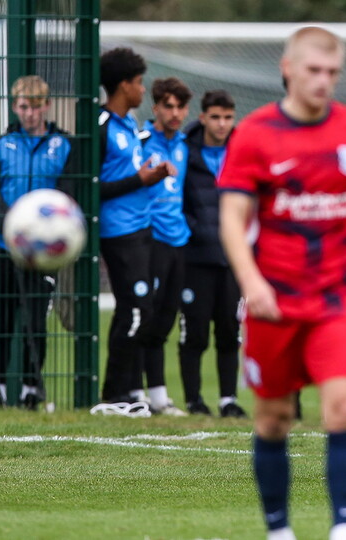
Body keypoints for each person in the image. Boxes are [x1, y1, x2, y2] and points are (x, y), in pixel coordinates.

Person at [218, 27, 346, 540]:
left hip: (335, 297)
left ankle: (344, 528)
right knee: (273, 417)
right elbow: (232, 217)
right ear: (288, 68)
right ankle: (279, 528)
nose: (323, 81)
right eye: (313, 71)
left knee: (344, 407)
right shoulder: (256, 134)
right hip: (273, 300)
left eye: (332, 72)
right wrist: (250, 282)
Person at [0, 75, 74, 410]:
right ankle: (0, 390)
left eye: (36, 107)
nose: (30, 113)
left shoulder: (63, 146)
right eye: (23, 106)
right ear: (15, 106)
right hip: (1, 246)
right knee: (2, 318)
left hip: (43, 251)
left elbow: (67, 192)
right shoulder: (1, 145)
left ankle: (31, 390)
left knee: (36, 319)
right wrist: (12, 226)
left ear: (47, 106)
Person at [98, 47, 175, 404]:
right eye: (139, 83)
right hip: (118, 233)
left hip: (143, 230)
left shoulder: (129, 125)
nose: (143, 90)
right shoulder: (100, 127)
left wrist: (152, 175)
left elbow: (131, 175)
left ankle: (127, 392)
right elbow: (87, 187)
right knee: (135, 311)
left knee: (139, 311)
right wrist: (140, 181)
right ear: (123, 85)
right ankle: (115, 394)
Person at [179, 89, 246, 418]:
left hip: (232, 259)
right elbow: (175, 200)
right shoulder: (183, 151)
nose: (222, 124)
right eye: (215, 117)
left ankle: (227, 400)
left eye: (228, 117)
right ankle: (193, 400)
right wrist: (196, 228)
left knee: (228, 331)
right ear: (203, 117)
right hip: (195, 258)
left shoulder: (242, 151)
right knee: (194, 332)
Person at [138, 77, 192, 416]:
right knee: (144, 317)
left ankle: (158, 397)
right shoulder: (141, 141)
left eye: (180, 107)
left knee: (166, 319)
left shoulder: (185, 144)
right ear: (155, 107)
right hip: (149, 240)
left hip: (179, 241)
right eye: (167, 106)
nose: (174, 113)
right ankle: (134, 391)